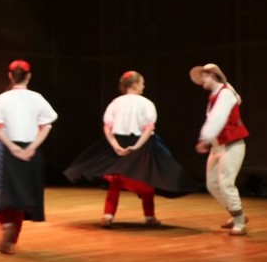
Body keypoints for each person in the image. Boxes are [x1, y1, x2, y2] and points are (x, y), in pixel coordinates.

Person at [64, 71, 196, 227]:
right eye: (142, 83)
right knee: (147, 178)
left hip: (119, 141)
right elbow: (148, 128)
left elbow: (107, 127)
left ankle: (108, 215)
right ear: (135, 85)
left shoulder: (115, 103)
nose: (143, 86)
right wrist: (137, 146)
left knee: (116, 180)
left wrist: (115, 146)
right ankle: (149, 217)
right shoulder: (146, 103)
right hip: (141, 142)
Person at [0, 60, 58, 254]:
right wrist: (32, 148)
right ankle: (12, 241)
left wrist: (12, 147)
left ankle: (6, 226)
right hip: (30, 151)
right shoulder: (37, 98)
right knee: (21, 196)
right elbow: (47, 126)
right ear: (29, 76)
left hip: (5, 149)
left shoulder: (1, 99)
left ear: (10, 76)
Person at [190, 63, 250, 236]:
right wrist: (207, 140)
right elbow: (213, 119)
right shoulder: (214, 96)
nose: (201, 80)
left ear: (213, 75)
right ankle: (236, 214)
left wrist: (205, 138)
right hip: (218, 147)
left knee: (225, 183)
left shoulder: (225, 93)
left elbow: (218, 118)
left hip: (232, 145)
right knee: (212, 184)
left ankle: (239, 221)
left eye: (204, 76)